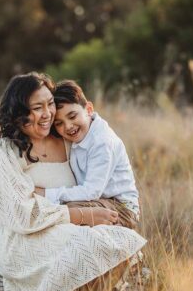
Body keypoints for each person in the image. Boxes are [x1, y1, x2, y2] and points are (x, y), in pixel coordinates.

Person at [0, 72, 147, 291]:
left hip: (67, 224)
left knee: (123, 244)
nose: (48, 113)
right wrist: (81, 215)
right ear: (19, 111)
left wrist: (82, 215)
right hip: (22, 233)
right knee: (95, 244)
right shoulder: (0, 149)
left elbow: (96, 153)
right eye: (38, 107)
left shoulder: (66, 138)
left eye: (50, 104)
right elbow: (20, 214)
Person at [37, 80, 140, 231]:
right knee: (63, 210)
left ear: (89, 109)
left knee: (67, 211)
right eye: (59, 123)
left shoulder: (102, 142)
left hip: (122, 207)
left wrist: (47, 194)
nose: (68, 126)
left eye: (72, 116)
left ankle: (128, 250)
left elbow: (92, 191)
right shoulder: (77, 136)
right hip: (98, 201)